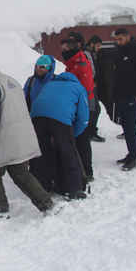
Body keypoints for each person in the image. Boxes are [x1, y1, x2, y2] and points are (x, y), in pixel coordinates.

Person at [0, 60, 54, 218]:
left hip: (5, 137)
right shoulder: (9, 80)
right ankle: (46, 204)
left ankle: (0, 207)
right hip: (22, 134)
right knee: (21, 172)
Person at [29, 72, 89, 200]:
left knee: (42, 152)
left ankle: (42, 186)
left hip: (36, 115)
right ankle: (73, 189)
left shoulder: (49, 84)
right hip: (60, 117)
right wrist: (70, 137)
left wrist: (54, 136)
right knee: (68, 153)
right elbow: (83, 119)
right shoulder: (79, 88)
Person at [112, 28, 136, 171]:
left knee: (130, 126)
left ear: (128, 37)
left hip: (131, 96)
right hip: (120, 95)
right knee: (125, 127)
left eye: (121, 39)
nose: (119, 42)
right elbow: (118, 75)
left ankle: (134, 157)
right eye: (117, 40)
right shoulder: (120, 52)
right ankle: (130, 154)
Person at [60, 38, 95, 182]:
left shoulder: (81, 64)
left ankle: (87, 170)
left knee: (82, 138)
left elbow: (86, 89)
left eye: (64, 50)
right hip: (72, 105)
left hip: (82, 106)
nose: (62, 53)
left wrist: (78, 109)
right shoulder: (71, 64)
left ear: (72, 49)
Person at [87, 35, 106, 142]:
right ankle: (90, 132)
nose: (99, 48)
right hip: (89, 87)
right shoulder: (87, 54)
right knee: (93, 109)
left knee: (96, 109)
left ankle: (92, 131)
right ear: (92, 44)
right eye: (98, 45)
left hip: (93, 85)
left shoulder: (93, 54)